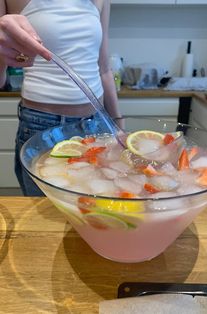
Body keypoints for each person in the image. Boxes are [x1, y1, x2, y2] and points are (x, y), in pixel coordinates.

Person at [0, 0, 122, 196]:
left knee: (96, 206)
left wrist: (117, 123)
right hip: (42, 125)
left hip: (97, 123)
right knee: (45, 210)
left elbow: (104, 69)